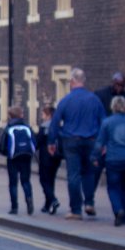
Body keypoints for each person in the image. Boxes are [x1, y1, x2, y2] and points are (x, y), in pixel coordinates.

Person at [48, 68, 106, 220]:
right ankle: (89, 203)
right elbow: (103, 122)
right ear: (83, 81)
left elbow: (55, 122)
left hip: (71, 141)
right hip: (91, 141)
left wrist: (51, 142)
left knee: (73, 175)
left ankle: (76, 210)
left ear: (72, 82)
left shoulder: (66, 100)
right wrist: (103, 143)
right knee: (88, 172)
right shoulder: (94, 99)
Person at [92, 95, 125, 227]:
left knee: (113, 187)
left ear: (113, 107)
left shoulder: (107, 122)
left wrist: (94, 156)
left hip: (113, 159)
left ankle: (118, 210)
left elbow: (100, 142)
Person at [92, 72, 125, 192]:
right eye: (117, 85)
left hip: (119, 140)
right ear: (113, 83)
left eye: (122, 86)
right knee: (96, 169)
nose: (119, 88)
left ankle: (123, 199)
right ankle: (90, 197)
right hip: (103, 137)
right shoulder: (100, 94)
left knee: (120, 172)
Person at [0, 105, 36, 215]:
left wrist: (7, 154)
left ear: (10, 116)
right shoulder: (27, 127)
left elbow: (2, 146)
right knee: (26, 181)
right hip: (26, 157)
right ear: (21, 115)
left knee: (13, 183)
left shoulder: (9, 128)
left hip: (13, 158)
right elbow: (34, 142)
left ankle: (14, 207)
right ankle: (29, 202)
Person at [35, 105, 62, 214]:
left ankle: (53, 200)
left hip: (46, 157)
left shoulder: (45, 127)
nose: (42, 117)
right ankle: (47, 205)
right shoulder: (60, 126)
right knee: (51, 180)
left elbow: (38, 142)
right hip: (57, 157)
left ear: (49, 115)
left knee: (43, 180)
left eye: (43, 114)